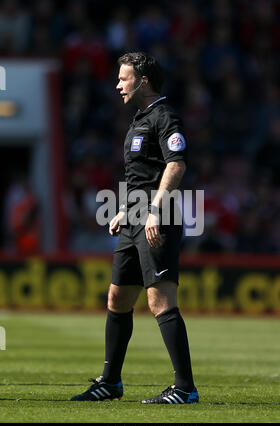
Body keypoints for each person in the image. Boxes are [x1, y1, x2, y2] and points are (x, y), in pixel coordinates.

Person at [71, 52, 198, 404]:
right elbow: (142, 176)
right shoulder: (140, 119)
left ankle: (185, 389)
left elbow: (176, 165)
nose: (117, 84)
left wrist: (155, 211)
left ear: (143, 81)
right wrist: (125, 210)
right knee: (118, 298)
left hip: (160, 217)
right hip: (135, 218)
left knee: (159, 300)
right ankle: (111, 382)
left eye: (123, 78)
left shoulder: (165, 116)